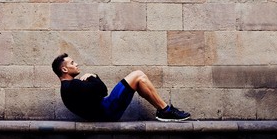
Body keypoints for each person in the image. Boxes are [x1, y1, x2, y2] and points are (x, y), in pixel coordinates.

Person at [52, 53, 190, 122]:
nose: (76, 64)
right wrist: (92, 75)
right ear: (64, 69)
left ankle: (164, 110)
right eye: (72, 62)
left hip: (104, 112)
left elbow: (96, 93)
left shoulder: (67, 88)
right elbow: (102, 89)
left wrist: (90, 80)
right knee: (138, 75)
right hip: (108, 110)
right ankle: (165, 110)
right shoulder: (72, 86)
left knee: (138, 80)